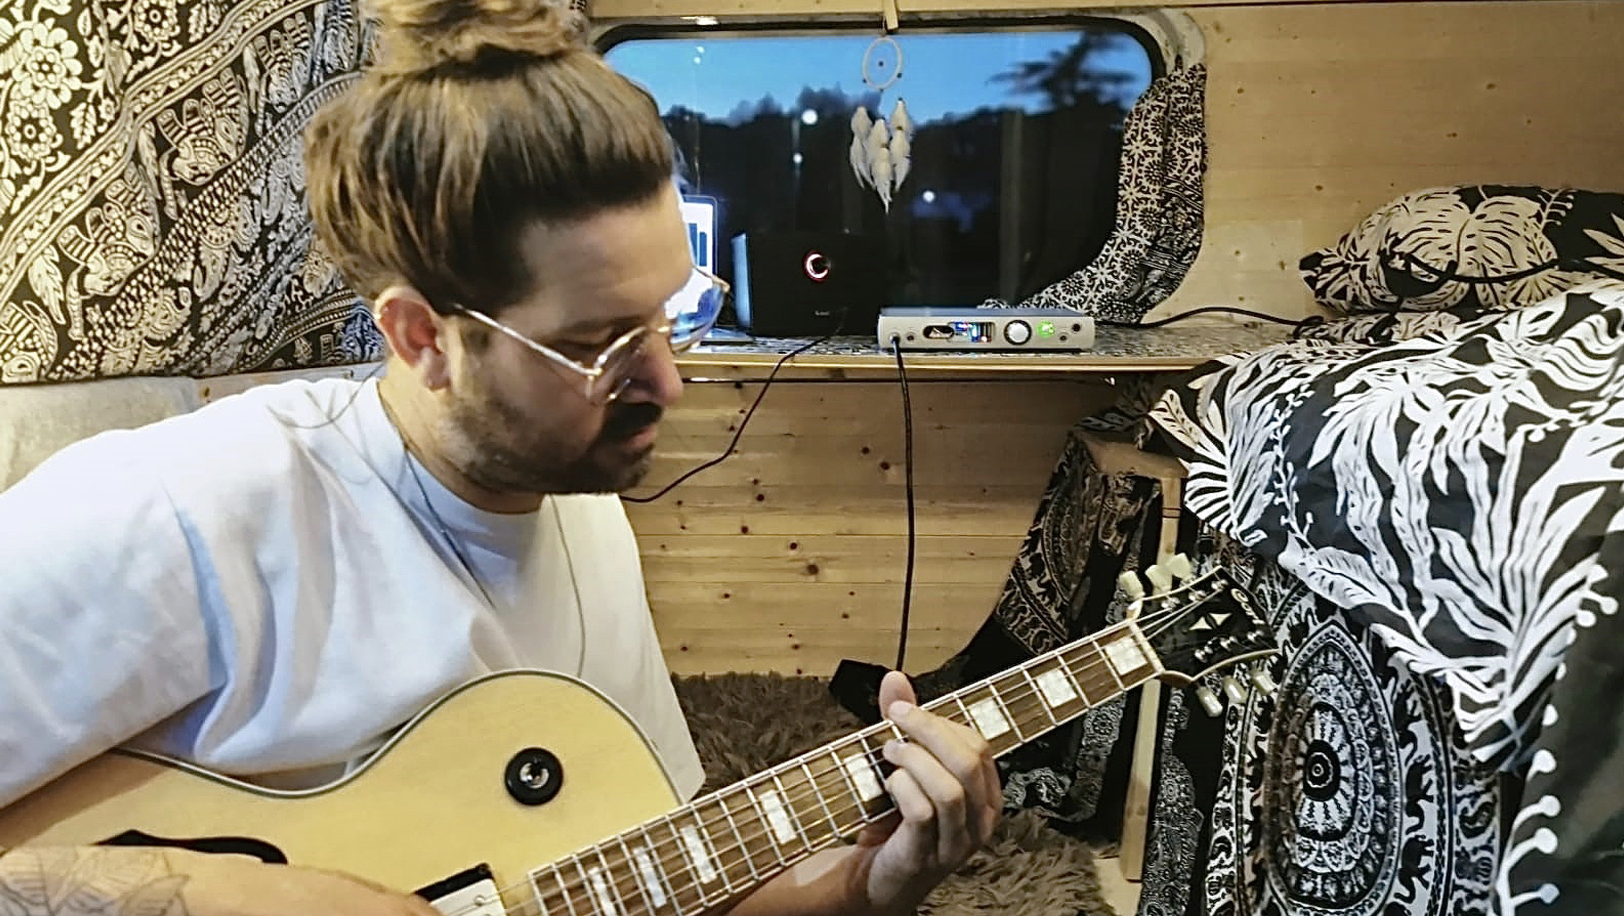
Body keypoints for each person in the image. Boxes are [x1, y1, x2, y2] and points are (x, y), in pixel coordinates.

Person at [0, 0, 1001, 912]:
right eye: (597, 346)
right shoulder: (179, 508)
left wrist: (876, 880)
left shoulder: (585, 514)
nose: (667, 383)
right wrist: (231, 894)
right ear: (422, 338)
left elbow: (652, 884)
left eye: (671, 315)